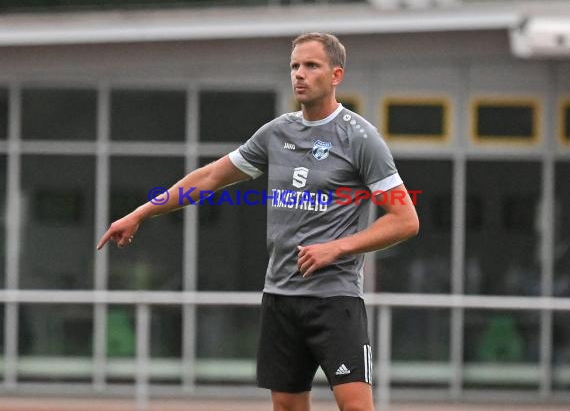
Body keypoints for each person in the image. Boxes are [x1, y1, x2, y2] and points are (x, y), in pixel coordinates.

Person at [97, 32, 419, 411]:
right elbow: (210, 177)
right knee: (285, 405)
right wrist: (141, 212)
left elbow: (405, 219)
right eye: (295, 66)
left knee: (355, 406)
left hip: (335, 299)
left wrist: (338, 247)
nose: (299, 74)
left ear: (336, 75)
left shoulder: (360, 138)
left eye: (311, 65)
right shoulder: (276, 132)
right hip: (280, 296)